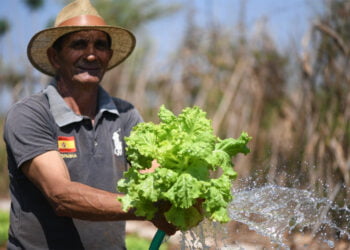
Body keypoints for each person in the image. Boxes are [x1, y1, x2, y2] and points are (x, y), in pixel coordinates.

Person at [3, 0, 176, 249]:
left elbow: (152, 175)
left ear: (109, 56)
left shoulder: (125, 115)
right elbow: (61, 196)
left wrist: (177, 195)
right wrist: (147, 208)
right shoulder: (31, 113)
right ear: (55, 56)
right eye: (79, 44)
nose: (92, 54)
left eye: (100, 45)